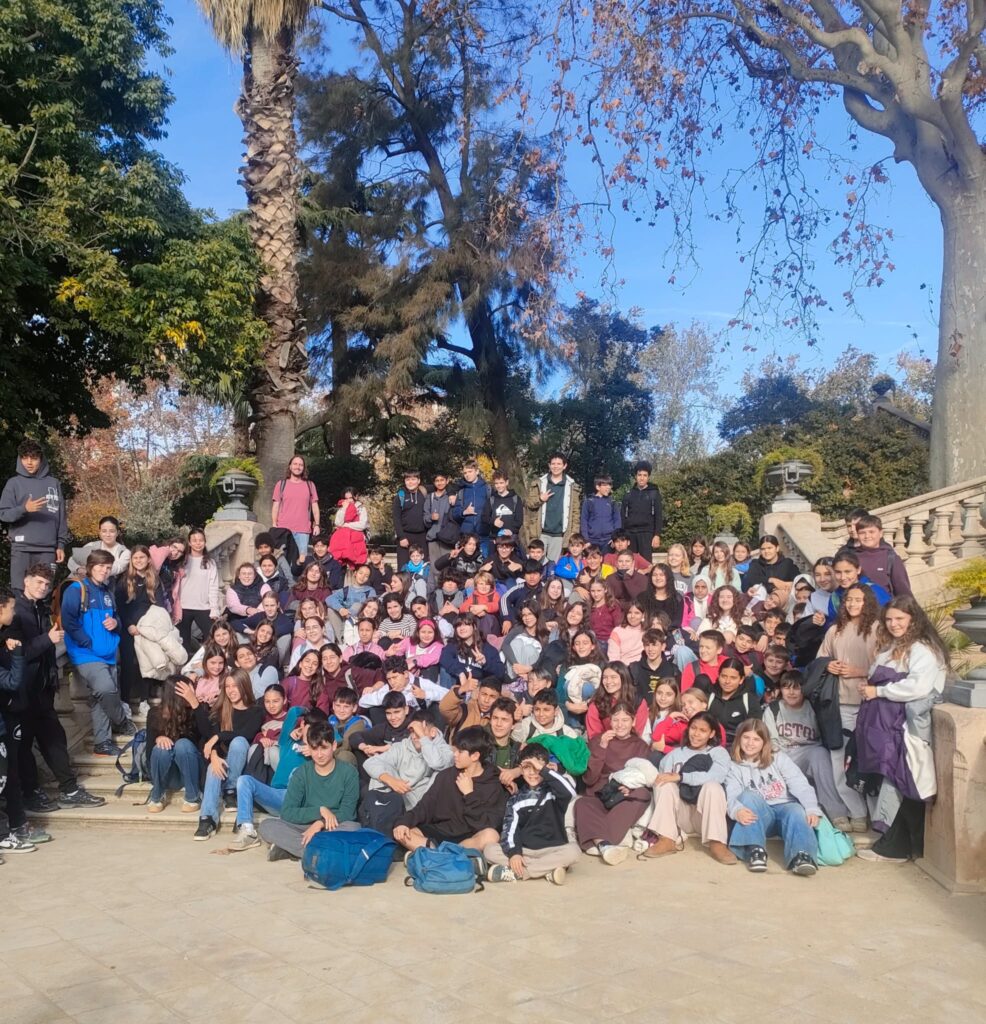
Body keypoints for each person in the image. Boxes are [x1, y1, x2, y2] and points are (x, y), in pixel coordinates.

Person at [855, 596, 949, 863]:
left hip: (905, 729)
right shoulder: (893, 647)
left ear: (913, 619)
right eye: (889, 619)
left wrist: (879, 691)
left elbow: (919, 687)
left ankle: (895, 848)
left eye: (900, 619)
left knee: (903, 782)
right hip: (886, 727)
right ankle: (897, 844)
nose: (893, 624)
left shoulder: (923, 650)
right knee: (895, 780)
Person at [818, 582, 879, 831]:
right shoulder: (835, 630)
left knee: (868, 760)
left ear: (867, 602)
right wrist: (827, 665)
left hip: (869, 706)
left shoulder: (878, 630)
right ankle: (856, 813)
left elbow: (888, 669)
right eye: (849, 600)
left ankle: (878, 817)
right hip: (840, 704)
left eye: (858, 599)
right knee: (839, 761)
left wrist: (859, 671)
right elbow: (820, 660)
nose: (853, 604)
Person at [726, 719, 821, 875]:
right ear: (739, 738)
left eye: (756, 739)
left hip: (784, 810)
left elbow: (800, 784)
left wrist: (811, 808)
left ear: (764, 742)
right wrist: (736, 810)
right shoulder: (733, 766)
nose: (750, 743)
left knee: (796, 810)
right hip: (759, 816)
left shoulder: (778, 758)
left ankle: (802, 855)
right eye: (746, 737)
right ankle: (755, 850)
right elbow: (731, 794)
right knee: (747, 797)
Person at [61, 550, 134, 756]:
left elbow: (117, 618)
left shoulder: (107, 591)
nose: (105, 571)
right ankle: (121, 721)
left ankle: (102, 743)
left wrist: (115, 623)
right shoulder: (77, 589)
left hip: (109, 652)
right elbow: (69, 621)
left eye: (108, 567)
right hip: (86, 654)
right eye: (101, 566)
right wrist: (87, 642)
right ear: (90, 567)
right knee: (106, 689)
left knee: (99, 698)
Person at [639, 711, 736, 863]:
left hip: (704, 817)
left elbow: (717, 776)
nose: (696, 734)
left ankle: (717, 843)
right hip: (680, 817)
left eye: (703, 730)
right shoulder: (674, 754)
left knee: (713, 786)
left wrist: (682, 777)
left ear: (711, 734)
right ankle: (666, 839)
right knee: (664, 783)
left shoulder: (718, 752)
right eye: (693, 728)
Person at [392, 725, 506, 853]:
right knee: (406, 832)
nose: (454, 755)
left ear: (475, 756)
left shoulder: (492, 783)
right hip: (440, 832)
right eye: (454, 750)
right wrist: (403, 822)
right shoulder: (446, 775)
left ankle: (436, 854)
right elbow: (424, 807)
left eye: (460, 752)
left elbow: (488, 824)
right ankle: (447, 855)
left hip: (469, 836)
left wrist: (469, 794)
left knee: (491, 835)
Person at [258, 721, 361, 860]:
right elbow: (287, 812)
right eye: (314, 749)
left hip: (333, 826)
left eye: (324, 748)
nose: (319, 754)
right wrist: (319, 811)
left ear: (334, 746)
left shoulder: (349, 772)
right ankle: (317, 852)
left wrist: (320, 823)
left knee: (353, 828)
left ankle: (296, 850)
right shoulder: (301, 773)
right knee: (267, 826)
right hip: (304, 826)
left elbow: (348, 813)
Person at [483, 743, 581, 884]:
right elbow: (510, 830)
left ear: (545, 768)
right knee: (490, 850)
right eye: (527, 767)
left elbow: (570, 792)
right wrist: (514, 853)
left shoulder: (554, 792)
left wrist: (544, 770)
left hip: (553, 849)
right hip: (525, 851)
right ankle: (547, 870)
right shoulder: (516, 799)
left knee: (574, 852)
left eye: (537, 768)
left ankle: (520, 873)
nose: (532, 773)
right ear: (521, 770)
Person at [190, 669, 264, 841]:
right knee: (212, 768)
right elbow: (209, 740)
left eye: (235, 686)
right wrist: (214, 757)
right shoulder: (220, 710)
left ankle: (231, 789)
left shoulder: (256, 711)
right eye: (228, 686)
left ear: (244, 686)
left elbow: (246, 734)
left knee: (239, 741)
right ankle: (207, 819)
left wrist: (218, 736)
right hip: (223, 761)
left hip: (243, 765)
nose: (231, 690)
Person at [573, 702, 652, 864]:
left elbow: (645, 776)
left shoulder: (640, 746)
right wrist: (602, 747)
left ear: (633, 722)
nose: (620, 725)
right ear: (610, 721)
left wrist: (631, 788)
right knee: (582, 803)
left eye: (625, 720)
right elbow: (589, 778)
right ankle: (607, 844)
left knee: (642, 794)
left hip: (625, 795)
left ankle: (599, 841)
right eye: (615, 720)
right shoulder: (598, 741)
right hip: (601, 794)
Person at [362, 714, 454, 833]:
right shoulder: (403, 746)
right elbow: (370, 763)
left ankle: (386, 825)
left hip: (423, 805)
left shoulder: (446, 751)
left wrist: (423, 738)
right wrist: (390, 780)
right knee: (379, 773)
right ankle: (377, 825)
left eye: (419, 731)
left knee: (439, 774)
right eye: (412, 732)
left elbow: (436, 763)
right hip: (400, 795)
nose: (414, 736)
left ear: (433, 732)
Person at [0, 440, 69, 590]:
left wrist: (60, 545)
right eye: (25, 458)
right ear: (20, 459)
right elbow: (3, 514)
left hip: (47, 550)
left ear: (41, 459)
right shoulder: (14, 483)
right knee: (20, 592)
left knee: (44, 593)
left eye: (34, 458)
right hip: (21, 549)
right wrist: (24, 509)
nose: (29, 462)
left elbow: (61, 517)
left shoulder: (54, 483)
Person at [145, 676, 204, 813]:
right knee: (160, 748)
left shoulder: (197, 710)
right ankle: (157, 795)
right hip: (168, 773)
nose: (192, 692)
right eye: (188, 689)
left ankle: (193, 797)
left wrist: (195, 704)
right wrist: (158, 738)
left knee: (183, 744)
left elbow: (206, 734)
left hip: (191, 770)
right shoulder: (155, 713)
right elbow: (149, 755)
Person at [526, 452, 581, 562]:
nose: (556, 466)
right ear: (549, 465)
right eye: (553, 464)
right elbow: (529, 503)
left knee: (552, 564)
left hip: (559, 534)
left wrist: (574, 531)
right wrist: (540, 499)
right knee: (536, 562)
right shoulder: (539, 483)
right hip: (540, 531)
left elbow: (575, 511)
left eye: (559, 464)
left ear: (564, 466)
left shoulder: (572, 486)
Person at [177, 529, 221, 655]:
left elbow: (213, 587)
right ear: (189, 543)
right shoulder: (182, 561)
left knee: (212, 639)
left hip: (203, 607)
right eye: (194, 540)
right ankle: (185, 666)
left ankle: (209, 663)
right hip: (183, 607)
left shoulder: (210, 563)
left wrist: (214, 608)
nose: (198, 543)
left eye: (201, 540)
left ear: (205, 542)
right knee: (183, 643)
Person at [271, 455, 320, 561]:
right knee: (282, 562)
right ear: (290, 466)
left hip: (303, 530)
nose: (298, 467)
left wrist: (317, 524)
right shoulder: (281, 484)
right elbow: (276, 506)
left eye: (300, 465)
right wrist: (274, 524)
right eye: (295, 464)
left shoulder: (310, 485)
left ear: (304, 468)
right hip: (283, 529)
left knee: (301, 562)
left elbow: (315, 506)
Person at [706, 656, 762, 744]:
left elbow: (755, 729)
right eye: (724, 676)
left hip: (737, 745)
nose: (727, 681)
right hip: (710, 743)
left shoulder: (749, 700)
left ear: (741, 680)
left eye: (733, 678)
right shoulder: (709, 695)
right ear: (718, 676)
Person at [586, 662, 649, 739]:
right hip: (604, 744)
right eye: (605, 677)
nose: (608, 681)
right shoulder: (597, 704)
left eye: (613, 677)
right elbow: (594, 736)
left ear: (623, 678)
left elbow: (637, 733)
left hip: (632, 744)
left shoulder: (638, 702)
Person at [854, 514, 912, 597]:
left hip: (885, 604)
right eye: (862, 533)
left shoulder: (890, 558)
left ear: (881, 533)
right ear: (857, 535)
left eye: (871, 532)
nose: (867, 536)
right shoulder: (852, 558)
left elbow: (903, 590)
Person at [620, 460, 662, 559]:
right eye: (639, 475)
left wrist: (657, 535)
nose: (642, 478)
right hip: (630, 533)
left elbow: (658, 516)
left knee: (646, 563)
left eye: (645, 475)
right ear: (636, 476)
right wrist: (622, 535)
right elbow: (622, 515)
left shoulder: (654, 494)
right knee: (629, 560)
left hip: (647, 533)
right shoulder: (629, 494)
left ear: (648, 477)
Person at [450, 460, 491, 554]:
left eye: (470, 471)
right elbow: (455, 514)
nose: (467, 475)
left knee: (485, 561)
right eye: (465, 473)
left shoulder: (487, 489)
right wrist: (464, 512)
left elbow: (493, 511)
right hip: (466, 536)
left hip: (483, 535)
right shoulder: (461, 491)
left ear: (477, 471)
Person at [742, 535, 798, 600]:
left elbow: (798, 580)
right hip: (764, 599)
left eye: (769, 548)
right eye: (763, 549)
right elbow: (751, 579)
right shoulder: (756, 564)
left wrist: (783, 585)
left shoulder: (787, 563)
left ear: (777, 548)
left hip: (784, 597)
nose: (766, 551)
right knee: (757, 587)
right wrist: (772, 580)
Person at [330, 488, 369, 569]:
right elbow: (338, 523)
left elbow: (362, 524)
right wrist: (344, 509)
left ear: (356, 496)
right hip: (343, 540)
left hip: (356, 538)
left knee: (357, 565)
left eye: (350, 498)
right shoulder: (342, 509)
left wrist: (346, 525)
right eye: (346, 498)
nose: (348, 501)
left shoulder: (361, 508)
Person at [423, 471, 457, 564]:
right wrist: (431, 517)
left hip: (447, 538)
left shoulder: (452, 496)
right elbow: (425, 517)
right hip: (433, 538)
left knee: (447, 566)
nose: (440, 483)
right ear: (434, 483)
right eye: (437, 481)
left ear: (447, 481)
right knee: (434, 567)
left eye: (442, 480)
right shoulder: (430, 497)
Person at [580, 475, 621, 552]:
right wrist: (586, 539)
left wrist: (615, 538)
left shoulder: (612, 502)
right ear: (597, 487)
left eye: (609, 485)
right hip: (592, 541)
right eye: (605, 485)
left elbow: (617, 521)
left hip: (608, 541)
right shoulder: (589, 502)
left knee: (607, 560)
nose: (608, 487)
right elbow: (584, 521)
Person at [483, 470, 525, 539]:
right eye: (496, 483)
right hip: (495, 537)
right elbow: (484, 518)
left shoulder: (516, 499)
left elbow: (519, 520)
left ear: (507, 482)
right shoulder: (491, 500)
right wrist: (493, 521)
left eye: (501, 483)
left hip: (511, 537)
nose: (499, 486)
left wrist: (512, 530)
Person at [607, 601, 647, 665]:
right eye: (629, 612)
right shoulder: (617, 631)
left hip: (643, 667)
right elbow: (613, 658)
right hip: (623, 668)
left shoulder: (647, 632)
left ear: (643, 615)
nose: (632, 616)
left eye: (637, 613)